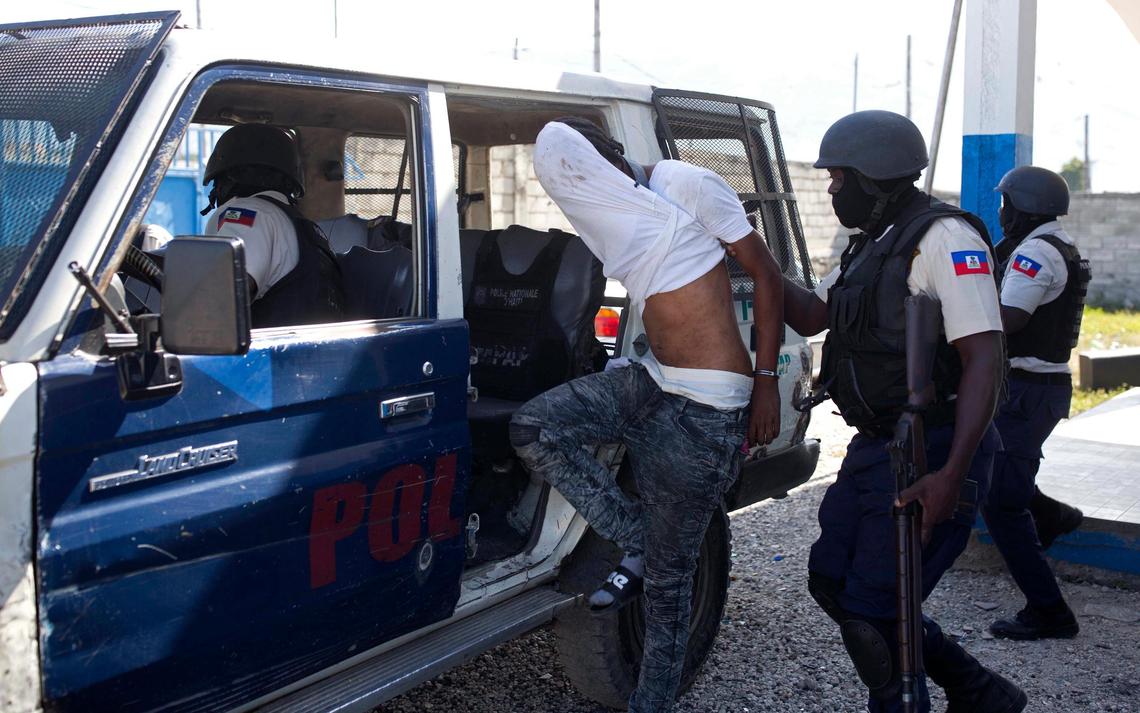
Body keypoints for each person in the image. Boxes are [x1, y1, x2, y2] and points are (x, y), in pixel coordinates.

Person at [510, 117, 784, 712]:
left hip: (709, 405)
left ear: (611, 161)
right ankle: (636, 537)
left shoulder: (688, 186)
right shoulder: (619, 215)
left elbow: (765, 275)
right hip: (651, 380)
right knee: (536, 427)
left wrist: (767, 382)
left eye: (590, 175)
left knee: (667, 591)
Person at [783, 110, 1025, 713]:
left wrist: (950, 476)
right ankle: (980, 691)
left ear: (876, 174)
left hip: (937, 447)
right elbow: (815, 316)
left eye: (839, 178)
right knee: (833, 582)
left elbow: (984, 360)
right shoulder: (870, 245)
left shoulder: (946, 239)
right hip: (876, 447)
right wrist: (748, 255)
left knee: (877, 605)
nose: (832, 190)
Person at [983, 165, 1090, 640]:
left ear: (1024, 207)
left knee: (1001, 503)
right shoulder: (1053, 245)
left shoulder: (1036, 254)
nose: (1002, 212)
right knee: (1001, 475)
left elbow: (1009, 319)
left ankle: (1051, 612)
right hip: (1031, 389)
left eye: (1007, 203)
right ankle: (1053, 516)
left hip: (1029, 391)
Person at [203, 123, 344, 328]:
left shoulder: (249, 213)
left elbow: (222, 298)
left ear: (228, 177)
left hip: (268, 357)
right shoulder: (300, 226)